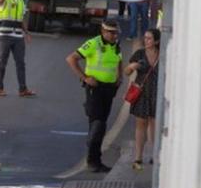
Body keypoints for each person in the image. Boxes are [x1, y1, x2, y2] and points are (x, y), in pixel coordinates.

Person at [65, 19, 124, 173]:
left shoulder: (116, 45)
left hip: (109, 89)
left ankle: (96, 160)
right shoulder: (93, 44)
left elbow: (118, 60)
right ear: (103, 31)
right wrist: (84, 77)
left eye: (116, 33)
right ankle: (92, 161)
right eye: (111, 32)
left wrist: (120, 77)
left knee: (101, 124)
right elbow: (71, 59)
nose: (114, 35)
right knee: (97, 125)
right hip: (95, 88)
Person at [124, 29, 160, 170]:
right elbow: (127, 72)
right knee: (141, 125)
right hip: (142, 93)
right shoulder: (139, 54)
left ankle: (154, 155)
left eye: (149, 38)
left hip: (157, 93)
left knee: (155, 125)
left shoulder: (162, 54)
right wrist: (132, 66)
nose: (146, 41)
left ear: (156, 41)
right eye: (145, 38)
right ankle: (138, 157)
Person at [0, 0, 36, 97]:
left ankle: (23, 89)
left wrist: (26, 33)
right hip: (5, 36)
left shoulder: (20, 0)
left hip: (18, 36)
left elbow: (21, 19)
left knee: (20, 63)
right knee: (2, 63)